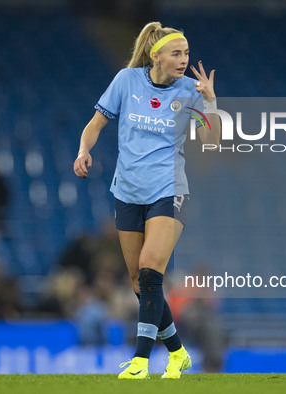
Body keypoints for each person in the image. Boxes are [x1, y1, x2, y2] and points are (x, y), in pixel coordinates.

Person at [74, 21, 220, 379]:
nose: (184, 59)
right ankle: (178, 352)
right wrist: (83, 151)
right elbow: (95, 124)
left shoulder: (191, 91)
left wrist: (212, 102)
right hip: (127, 192)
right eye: (177, 53)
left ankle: (140, 361)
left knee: (152, 271)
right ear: (156, 55)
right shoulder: (126, 81)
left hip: (169, 190)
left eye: (186, 52)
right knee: (141, 282)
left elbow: (212, 144)